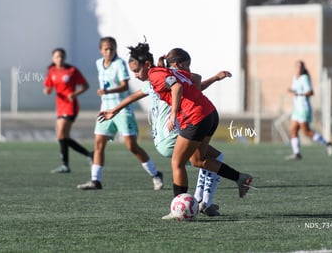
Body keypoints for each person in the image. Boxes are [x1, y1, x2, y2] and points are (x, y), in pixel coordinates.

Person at [126, 42, 253, 219]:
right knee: (198, 160)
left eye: (137, 70)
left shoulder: (156, 75)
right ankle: (240, 178)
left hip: (195, 118)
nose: (136, 75)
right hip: (210, 114)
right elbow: (195, 80)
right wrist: (215, 78)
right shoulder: (168, 71)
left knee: (177, 163)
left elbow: (176, 87)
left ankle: (176, 209)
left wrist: (173, 113)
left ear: (147, 65)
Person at [97, 52, 231, 216]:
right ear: (177, 65)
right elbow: (195, 80)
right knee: (210, 159)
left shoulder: (154, 80)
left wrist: (115, 110)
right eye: (186, 65)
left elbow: (135, 95)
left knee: (201, 161)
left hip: (160, 140)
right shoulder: (168, 79)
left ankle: (199, 202)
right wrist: (212, 78)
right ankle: (201, 203)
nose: (188, 69)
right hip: (171, 135)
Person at [77, 37, 163, 190]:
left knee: (131, 146)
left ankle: (155, 174)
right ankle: (95, 180)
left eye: (112, 48)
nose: (109, 51)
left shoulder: (120, 63)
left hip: (122, 111)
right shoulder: (99, 63)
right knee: (98, 144)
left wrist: (108, 91)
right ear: (100, 50)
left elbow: (124, 86)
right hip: (105, 109)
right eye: (106, 49)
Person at [43, 48, 93, 173]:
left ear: (65, 58)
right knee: (63, 136)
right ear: (53, 59)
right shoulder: (51, 71)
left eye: (61, 56)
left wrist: (75, 94)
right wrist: (47, 90)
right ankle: (88, 155)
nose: (59, 59)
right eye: (57, 57)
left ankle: (66, 165)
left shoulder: (72, 70)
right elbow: (48, 86)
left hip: (71, 106)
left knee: (61, 134)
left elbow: (86, 85)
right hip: (60, 106)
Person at [286, 60, 332, 160]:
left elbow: (310, 92)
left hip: (304, 108)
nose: (298, 68)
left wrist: (300, 94)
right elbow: (297, 90)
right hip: (297, 108)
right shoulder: (295, 78)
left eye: (300, 67)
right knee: (293, 130)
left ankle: (327, 144)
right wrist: (292, 91)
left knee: (306, 132)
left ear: (303, 68)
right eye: (297, 66)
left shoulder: (305, 78)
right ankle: (297, 153)